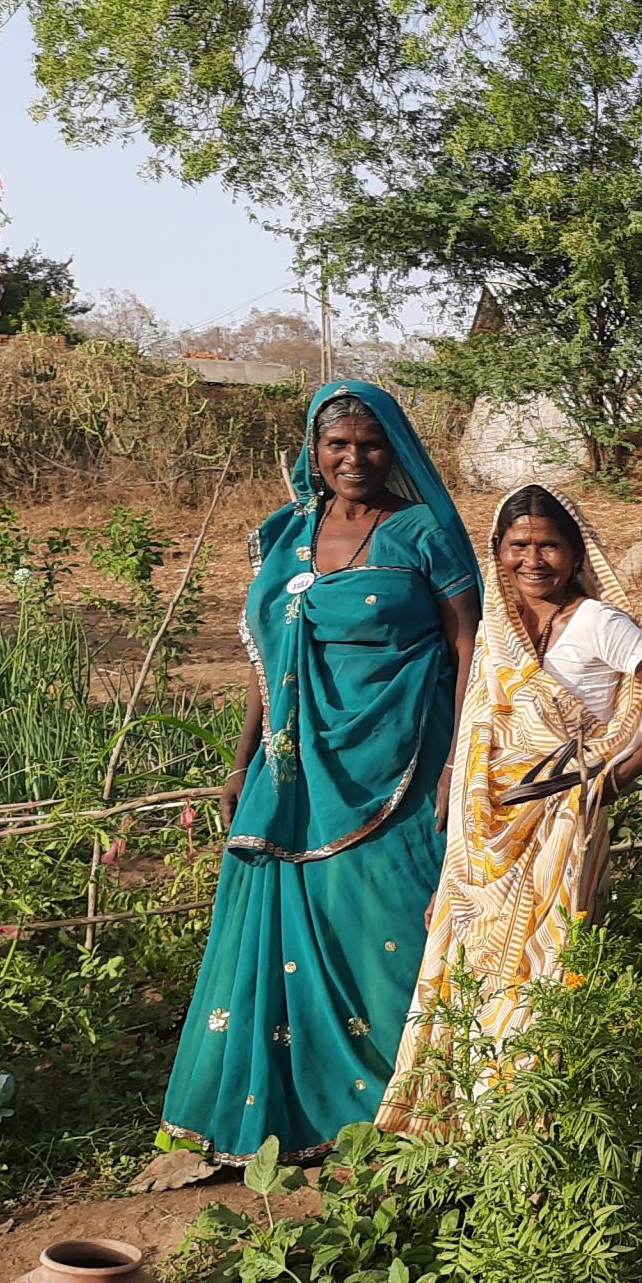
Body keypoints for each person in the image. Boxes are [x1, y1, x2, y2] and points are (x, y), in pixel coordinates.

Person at [161, 382, 481, 1160]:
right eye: (338, 444)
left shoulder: (423, 533)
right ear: (313, 450)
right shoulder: (284, 536)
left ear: (395, 448)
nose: (354, 458)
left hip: (399, 764)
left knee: (391, 919)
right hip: (291, 769)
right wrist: (242, 758)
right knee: (280, 927)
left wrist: (457, 762)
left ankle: (403, 1109)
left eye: (370, 443)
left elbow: (471, 647)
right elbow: (266, 658)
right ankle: (282, 1117)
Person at [378, 484, 642, 1131]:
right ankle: (466, 1145)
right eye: (518, 545)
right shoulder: (499, 631)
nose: (534, 560)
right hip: (485, 841)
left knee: (539, 983)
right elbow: (480, 739)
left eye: (550, 545)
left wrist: (611, 780)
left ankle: (529, 1146)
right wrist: (453, 866)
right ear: (497, 552)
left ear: (575, 550)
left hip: (558, 828)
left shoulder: (599, 622)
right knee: (470, 981)